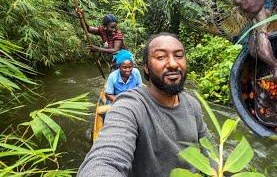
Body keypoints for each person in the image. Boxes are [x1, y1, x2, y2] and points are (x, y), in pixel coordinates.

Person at [78, 32, 211, 177]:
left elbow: (210, 151)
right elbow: (104, 161)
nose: (173, 63)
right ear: (146, 68)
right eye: (161, 57)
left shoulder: (193, 105)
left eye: (179, 55)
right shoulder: (128, 108)